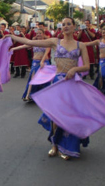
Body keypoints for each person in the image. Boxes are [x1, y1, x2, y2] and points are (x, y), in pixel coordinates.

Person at [9, 17, 90, 160]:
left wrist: (75, 69)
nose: (65, 26)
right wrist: (12, 36)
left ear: (74, 27)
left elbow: (87, 66)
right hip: (58, 82)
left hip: (72, 84)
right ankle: (54, 145)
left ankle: (66, 146)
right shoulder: (54, 42)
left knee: (69, 116)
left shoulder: (81, 45)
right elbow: (30, 42)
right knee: (54, 116)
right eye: (63, 24)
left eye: (68, 24)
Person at [11, 28, 51, 101]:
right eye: (37, 33)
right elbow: (24, 46)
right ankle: (28, 95)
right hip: (35, 62)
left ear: (43, 34)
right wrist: (13, 49)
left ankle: (43, 95)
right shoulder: (34, 42)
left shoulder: (46, 42)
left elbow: (46, 53)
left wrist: (42, 61)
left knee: (43, 80)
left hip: (44, 63)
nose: (38, 35)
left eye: (40, 33)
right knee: (32, 78)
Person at [85, 26, 105, 96]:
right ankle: (102, 89)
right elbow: (88, 44)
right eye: (103, 33)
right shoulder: (98, 41)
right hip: (103, 61)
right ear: (101, 33)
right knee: (103, 75)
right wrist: (78, 44)